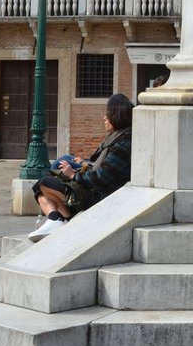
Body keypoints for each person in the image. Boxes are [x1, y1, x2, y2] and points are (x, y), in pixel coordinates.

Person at [29, 93, 134, 241]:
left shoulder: (122, 144)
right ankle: (57, 219)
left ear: (117, 116)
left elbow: (100, 178)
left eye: (108, 115)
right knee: (40, 189)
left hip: (99, 195)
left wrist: (73, 175)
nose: (104, 118)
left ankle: (60, 220)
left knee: (44, 184)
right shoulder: (115, 138)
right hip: (93, 189)